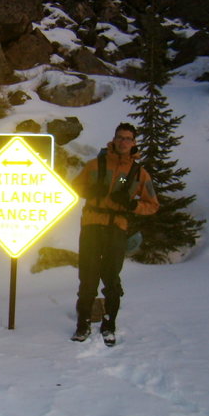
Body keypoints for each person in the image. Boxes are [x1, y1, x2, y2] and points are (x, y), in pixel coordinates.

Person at [70, 123, 159, 346]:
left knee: (111, 279)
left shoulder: (138, 173)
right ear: (114, 138)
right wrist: (89, 191)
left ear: (134, 142)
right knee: (87, 279)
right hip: (91, 225)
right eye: (120, 137)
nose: (123, 142)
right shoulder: (95, 165)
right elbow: (73, 187)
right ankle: (83, 325)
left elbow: (152, 205)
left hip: (116, 228)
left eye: (128, 138)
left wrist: (131, 206)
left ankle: (109, 326)